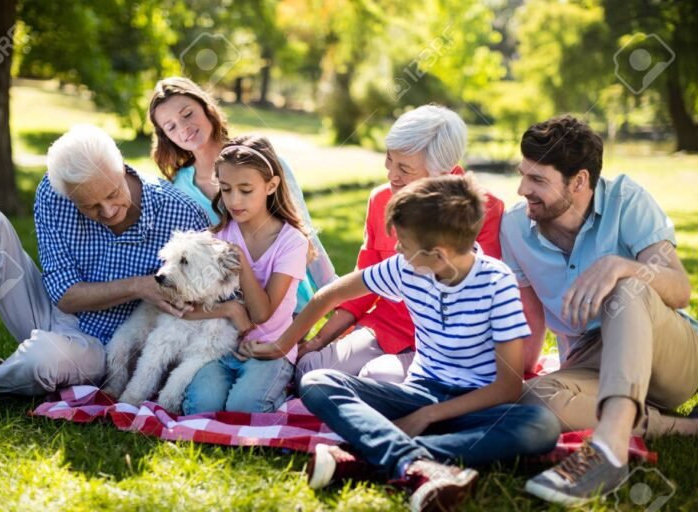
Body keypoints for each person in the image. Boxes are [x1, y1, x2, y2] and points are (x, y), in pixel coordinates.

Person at [240, 175, 560, 512]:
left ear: (438, 255)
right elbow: (329, 296)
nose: (396, 250)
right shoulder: (406, 268)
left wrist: (428, 415)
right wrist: (281, 345)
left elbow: (508, 387)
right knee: (317, 382)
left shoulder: (498, 284)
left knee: (540, 426)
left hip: (475, 407)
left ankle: (367, 459)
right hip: (417, 392)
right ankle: (415, 462)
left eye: (404, 244)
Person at [499, 115, 698, 505]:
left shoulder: (627, 200)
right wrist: (518, 377)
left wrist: (621, 266)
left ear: (579, 182)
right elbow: (530, 317)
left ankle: (609, 447)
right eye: (523, 175)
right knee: (528, 400)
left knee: (627, 289)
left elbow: (680, 291)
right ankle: (686, 430)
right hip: (595, 360)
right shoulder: (514, 228)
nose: (523, 189)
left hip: (670, 354)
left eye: (538, 180)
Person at [0, 125, 210, 395]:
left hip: (104, 347)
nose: (109, 210)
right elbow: (63, 294)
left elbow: (204, 294)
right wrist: (137, 286)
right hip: (51, 312)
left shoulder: (183, 213)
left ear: (123, 167)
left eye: (113, 193)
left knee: (41, 360)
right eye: (90, 206)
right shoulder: (54, 193)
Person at [295, 105, 505, 386]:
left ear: (447, 172)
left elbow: (473, 301)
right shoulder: (380, 200)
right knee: (309, 368)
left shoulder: (484, 211)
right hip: (384, 327)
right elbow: (361, 287)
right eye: (389, 160)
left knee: (376, 378)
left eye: (405, 168)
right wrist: (319, 341)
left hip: (437, 343)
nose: (391, 175)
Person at [148, 77, 336, 314]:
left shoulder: (264, 163)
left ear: (207, 108)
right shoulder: (179, 187)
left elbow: (304, 231)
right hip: (227, 309)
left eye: (187, 114)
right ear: (165, 135)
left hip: (287, 301)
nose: (183, 128)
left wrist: (335, 299)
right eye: (170, 126)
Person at [180, 135, 309, 414]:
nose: (234, 200)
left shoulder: (291, 242)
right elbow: (184, 306)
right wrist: (229, 309)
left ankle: (278, 388)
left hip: (269, 351)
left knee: (245, 408)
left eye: (246, 190)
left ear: (271, 185)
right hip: (218, 349)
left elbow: (262, 314)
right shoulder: (217, 237)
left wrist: (240, 260)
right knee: (202, 406)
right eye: (226, 189)